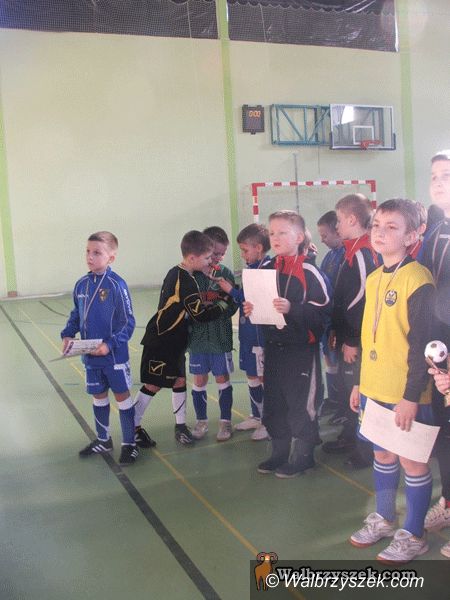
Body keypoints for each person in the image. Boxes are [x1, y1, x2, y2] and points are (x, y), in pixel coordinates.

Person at [349, 198, 435, 563]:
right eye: (376, 226)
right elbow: (369, 336)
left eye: (392, 227)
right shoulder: (373, 277)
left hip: (406, 393)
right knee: (382, 454)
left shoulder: (419, 280)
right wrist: (359, 382)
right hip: (374, 388)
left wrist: (411, 396)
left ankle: (414, 534)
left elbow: (421, 346)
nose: (380, 233)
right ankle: (384, 518)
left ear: (412, 236)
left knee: (412, 463)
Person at [244, 210, 330, 478]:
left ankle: (304, 456)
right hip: (274, 347)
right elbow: (259, 304)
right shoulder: (266, 269)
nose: (276, 237)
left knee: (301, 404)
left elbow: (324, 313)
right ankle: (279, 453)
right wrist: (251, 309)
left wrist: (294, 308)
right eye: (272, 233)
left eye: (283, 232)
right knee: (275, 403)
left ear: (299, 237)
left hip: (300, 350)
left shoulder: (310, 271)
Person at [133, 230, 235, 446]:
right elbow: (201, 315)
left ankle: (180, 427)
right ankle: (132, 428)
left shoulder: (178, 272)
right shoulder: (186, 280)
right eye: (207, 258)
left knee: (179, 380)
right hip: (162, 340)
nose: (210, 261)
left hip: (177, 341)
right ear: (192, 258)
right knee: (153, 385)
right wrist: (223, 301)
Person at [61, 231, 138, 465]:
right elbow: (77, 315)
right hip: (91, 357)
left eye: (97, 252)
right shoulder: (81, 284)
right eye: (87, 251)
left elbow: (129, 322)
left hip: (114, 356)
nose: (90, 257)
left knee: (122, 398)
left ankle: (130, 444)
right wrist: (67, 334)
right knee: (98, 396)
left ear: (111, 258)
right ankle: (104, 440)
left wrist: (109, 344)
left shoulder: (117, 285)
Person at [322, 194, 379, 470]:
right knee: (349, 390)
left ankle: (365, 450)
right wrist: (336, 328)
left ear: (353, 219)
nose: (337, 226)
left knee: (359, 391)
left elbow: (363, 301)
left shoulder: (363, 253)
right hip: (347, 335)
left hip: (358, 340)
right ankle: (349, 437)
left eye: (340, 220)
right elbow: (343, 297)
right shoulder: (350, 251)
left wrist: (353, 339)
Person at [214, 223, 271, 441]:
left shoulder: (267, 268)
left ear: (258, 248)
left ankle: (268, 421)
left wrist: (230, 290)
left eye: (245, 250)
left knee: (263, 377)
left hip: (259, 336)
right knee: (251, 374)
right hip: (247, 334)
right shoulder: (252, 268)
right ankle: (256, 415)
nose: (243, 255)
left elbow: (254, 301)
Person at [421, 150, 450, 558]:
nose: (439, 182)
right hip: (440, 351)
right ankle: (448, 500)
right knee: (444, 434)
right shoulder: (436, 231)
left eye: (447, 175)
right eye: (434, 176)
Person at [188, 226, 238, 442]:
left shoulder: (225, 274)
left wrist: (219, 307)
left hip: (220, 338)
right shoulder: (192, 275)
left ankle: (225, 421)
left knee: (222, 378)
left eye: (222, 254)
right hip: (197, 339)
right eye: (214, 253)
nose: (218, 258)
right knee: (199, 379)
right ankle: (201, 421)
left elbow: (233, 303)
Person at [316, 211, 345, 416]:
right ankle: (334, 399)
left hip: (339, 321)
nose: (322, 240)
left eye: (325, 235)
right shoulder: (329, 256)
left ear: (337, 231)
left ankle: (343, 403)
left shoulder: (347, 255)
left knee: (340, 361)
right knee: (329, 359)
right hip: (327, 319)